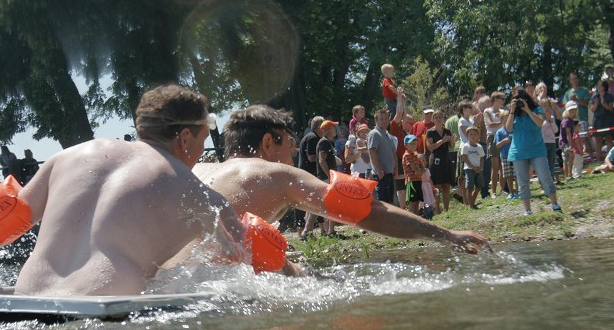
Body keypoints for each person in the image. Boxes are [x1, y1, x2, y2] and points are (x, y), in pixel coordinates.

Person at [0, 84, 250, 295]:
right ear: (185, 136)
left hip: (28, 297)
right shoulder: (203, 196)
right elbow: (247, 263)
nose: (202, 152)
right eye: (203, 140)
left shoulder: (66, 158)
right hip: (104, 318)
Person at [188, 105, 490, 256]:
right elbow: (368, 212)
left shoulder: (197, 172)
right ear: (268, 143)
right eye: (290, 144)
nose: (294, 153)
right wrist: (447, 235)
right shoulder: (275, 174)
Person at [504, 89, 562, 215]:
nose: (520, 102)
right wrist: (512, 110)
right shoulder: (513, 114)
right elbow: (508, 128)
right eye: (516, 100)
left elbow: (540, 123)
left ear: (527, 99)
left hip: (537, 150)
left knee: (545, 177)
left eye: (522, 99)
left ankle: (555, 204)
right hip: (518, 152)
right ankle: (527, 210)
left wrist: (527, 110)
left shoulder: (537, 110)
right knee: (522, 182)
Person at [368, 106, 399, 207]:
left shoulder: (388, 135)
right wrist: (379, 171)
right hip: (381, 175)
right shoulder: (374, 134)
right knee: (382, 204)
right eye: (381, 119)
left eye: (386, 119)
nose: (384, 121)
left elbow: (394, 154)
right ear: (376, 120)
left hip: (389, 173)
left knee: (390, 202)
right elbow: (372, 151)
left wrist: (396, 169)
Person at [425, 110, 455, 212]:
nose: (438, 119)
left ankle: (446, 209)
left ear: (443, 119)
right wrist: (442, 141)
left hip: (446, 160)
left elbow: (451, 146)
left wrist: (452, 141)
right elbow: (430, 147)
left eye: (440, 117)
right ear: (433, 119)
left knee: (446, 186)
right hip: (435, 161)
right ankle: (437, 209)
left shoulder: (447, 131)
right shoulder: (430, 132)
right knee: (437, 188)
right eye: (436, 117)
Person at [562, 72, 593, 157]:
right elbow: (565, 106)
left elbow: (587, 104)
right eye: (572, 79)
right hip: (571, 120)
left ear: (578, 79)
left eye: (575, 78)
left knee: (584, 138)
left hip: (582, 118)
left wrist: (577, 100)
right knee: (573, 139)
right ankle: (577, 158)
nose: (574, 81)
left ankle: (590, 157)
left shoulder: (584, 90)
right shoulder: (567, 93)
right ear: (570, 80)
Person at [460, 127, 485, 209]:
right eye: (471, 134)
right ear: (467, 135)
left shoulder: (479, 147)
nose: (473, 136)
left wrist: (480, 167)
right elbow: (465, 158)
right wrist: (472, 167)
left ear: (478, 136)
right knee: (469, 187)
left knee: (478, 186)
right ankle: (471, 205)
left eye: (475, 134)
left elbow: (482, 158)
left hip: (478, 169)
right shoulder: (465, 146)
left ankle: (472, 202)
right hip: (469, 169)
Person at [493, 112, 517, 196]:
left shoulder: (514, 129)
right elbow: (497, 145)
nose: (507, 120)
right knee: (508, 175)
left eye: (509, 119)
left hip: (515, 155)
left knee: (517, 174)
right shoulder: (499, 132)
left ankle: (518, 191)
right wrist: (504, 141)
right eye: (505, 119)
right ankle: (511, 192)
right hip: (505, 156)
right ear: (501, 120)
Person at [401, 134, 426, 216]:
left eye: (415, 143)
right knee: (412, 202)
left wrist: (421, 169)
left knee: (417, 201)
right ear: (406, 145)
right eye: (411, 144)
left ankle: (416, 219)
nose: (414, 145)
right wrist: (420, 170)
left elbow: (423, 169)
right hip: (411, 182)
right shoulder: (407, 155)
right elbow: (416, 170)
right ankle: (411, 220)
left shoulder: (416, 155)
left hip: (418, 180)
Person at [591, 79, 614, 155]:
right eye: (598, 85)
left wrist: (603, 103)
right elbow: (592, 109)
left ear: (604, 87)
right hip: (597, 120)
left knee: (608, 138)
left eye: (601, 86)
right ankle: (598, 158)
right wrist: (596, 104)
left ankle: (610, 156)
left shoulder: (610, 96)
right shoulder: (595, 96)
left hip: (607, 119)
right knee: (598, 139)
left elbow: (611, 108)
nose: (599, 87)